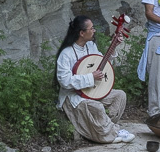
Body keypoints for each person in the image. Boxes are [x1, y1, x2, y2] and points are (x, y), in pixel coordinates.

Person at [55, 15, 134, 143]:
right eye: (91, 28)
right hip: (73, 96)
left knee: (120, 95)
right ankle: (111, 133)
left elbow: (102, 64)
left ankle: (105, 127)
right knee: (96, 107)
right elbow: (64, 81)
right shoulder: (66, 54)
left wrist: (113, 47)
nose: (94, 31)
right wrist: (91, 77)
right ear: (82, 33)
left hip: (92, 90)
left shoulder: (90, 46)